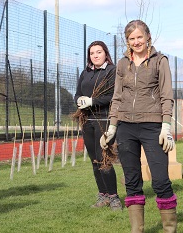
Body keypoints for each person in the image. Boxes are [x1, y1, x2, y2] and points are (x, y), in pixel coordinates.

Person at [100, 20, 177, 232]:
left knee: (161, 181)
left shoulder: (160, 61)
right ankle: (137, 229)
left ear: (148, 37)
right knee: (132, 182)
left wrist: (166, 127)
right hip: (126, 127)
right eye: (132, 39)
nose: (136, 42)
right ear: (127, 41)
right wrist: (112, 128)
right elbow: (117, 97)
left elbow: (166, 96)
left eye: (139, 37)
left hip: (153, 127)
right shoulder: (123, 64)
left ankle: (170, 228)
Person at [74, 41, 122, 211]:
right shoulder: (86, 72)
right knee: (94, 160)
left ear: (105, 53)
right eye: (92, 53)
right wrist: (79, 101)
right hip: (87, 121)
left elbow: (114, 96)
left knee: (104, 159)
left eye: (98, 52)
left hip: (105, 120)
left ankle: (114, 197)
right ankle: (103, 195)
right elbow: (78, 93)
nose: (95, 55)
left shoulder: (112, 71)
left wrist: (93, 101)